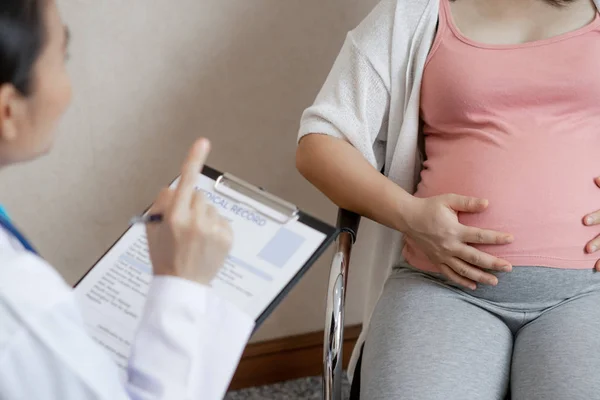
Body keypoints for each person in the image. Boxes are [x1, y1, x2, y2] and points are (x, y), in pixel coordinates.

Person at [297, 0, 600, 398]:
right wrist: (411, 215)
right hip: (440, 288)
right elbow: (320, 144)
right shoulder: (412, 13)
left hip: (589, 292)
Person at [0, 0, 254, 399]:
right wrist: (181, 283)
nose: (68, 91)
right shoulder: (17, 301)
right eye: (62, 57)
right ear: (8, 111)